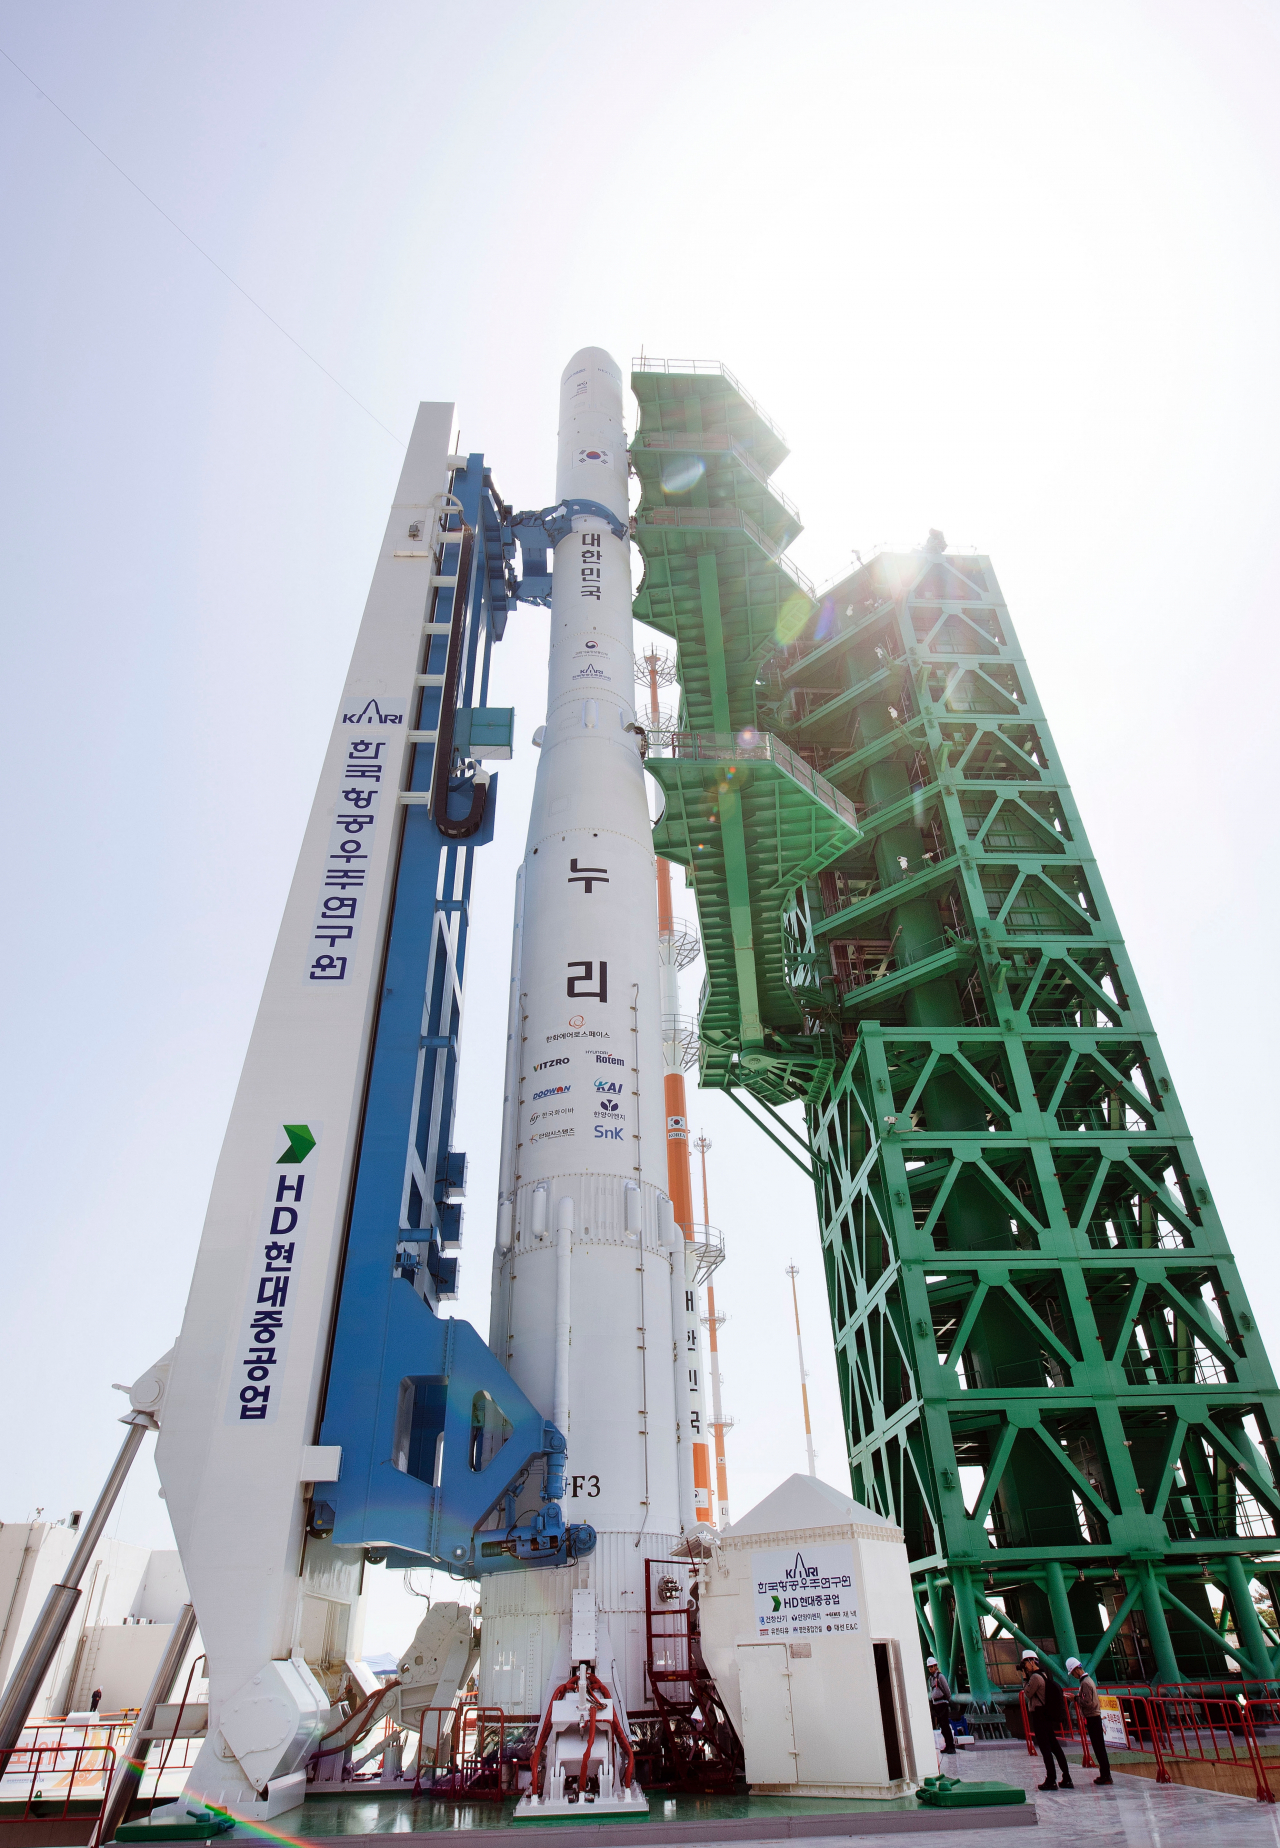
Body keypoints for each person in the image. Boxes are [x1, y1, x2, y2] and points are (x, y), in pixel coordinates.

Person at [1021, 1649, 1072, 1790]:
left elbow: (1027, 1693)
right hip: (1046, 1716)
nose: (1025, 1667)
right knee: (1055, 1747)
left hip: (1040, 1715)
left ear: (1031, 1662)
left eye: (1025, 1664)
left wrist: (1025, 1679)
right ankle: (1066, 1777)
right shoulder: (1043, 1675)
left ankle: (1051, 1779)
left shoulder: (1035, 1678)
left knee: (1045, 1749)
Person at [1065, 1657, 1112, 1785]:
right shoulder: (1088, 1680)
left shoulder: (1085, 1683)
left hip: (1092, 1717)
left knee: (1099, 1747)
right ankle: (1105, 1774)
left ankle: (1106, 1775)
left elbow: (1088, 1703)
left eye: (1073, 1673)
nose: (1073, 1676)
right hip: (1094, 1717)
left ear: (1075, 1670)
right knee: (1099, 1747)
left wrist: (1075, 1699)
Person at [926, 1657, 956, 1756]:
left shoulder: (940, 1677)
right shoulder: (931, 1678)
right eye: (929, 1667)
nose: (930, 1668)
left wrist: (947, 1700)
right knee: (942, 1727)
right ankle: (947, 1746)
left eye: (932, 1666)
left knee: (945, 1726)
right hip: (936, 1704)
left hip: (942, 1703)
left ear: (936, 1666)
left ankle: (951, 1747)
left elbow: (947, 1690)